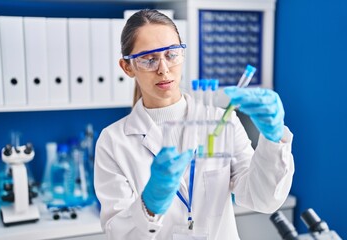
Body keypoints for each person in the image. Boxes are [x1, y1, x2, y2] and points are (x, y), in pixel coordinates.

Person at [94, 9, 294, 240]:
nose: (163, 69)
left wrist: (273, 137)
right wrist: (149, 204)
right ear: (127, 67)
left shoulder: (221, 121)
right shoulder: (113, 141)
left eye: (171, 55)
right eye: (149, 59)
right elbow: (118, 234)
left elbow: (263, 198)